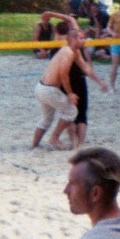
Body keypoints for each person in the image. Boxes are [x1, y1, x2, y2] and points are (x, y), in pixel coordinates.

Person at [33, 18, 81, 150]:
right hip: (49, 89)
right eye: (80, 38)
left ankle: (34, 145)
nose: (82, 41)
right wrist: (70, 93)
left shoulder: (66, 49)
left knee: (46, 119)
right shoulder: (69, 52)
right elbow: (63, 74)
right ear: (74, 40)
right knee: (71, 112)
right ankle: (54, 137)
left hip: (40, 87)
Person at [67, 23, 111, 146]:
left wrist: (100, 82)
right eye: (81, 38)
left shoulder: (71, 50)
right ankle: (78, 142)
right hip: (76, 83)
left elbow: (87, 69)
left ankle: (76, 141)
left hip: (71, 84)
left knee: (72, 114)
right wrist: (100, 82)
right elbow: (88, 69)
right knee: (78, 113)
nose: (84, 40)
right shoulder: (77, 51)